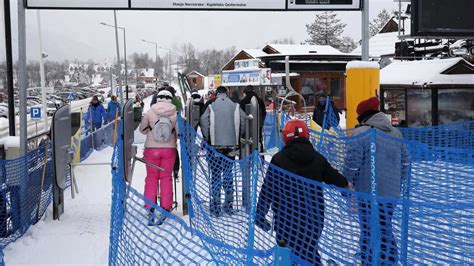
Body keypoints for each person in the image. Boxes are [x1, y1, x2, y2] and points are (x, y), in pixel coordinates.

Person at [256, 119, 352, 265]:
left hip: (285, 220)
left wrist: (260, 213)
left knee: (288, 253)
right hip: (312, 218)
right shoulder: (317, 158)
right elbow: (334, 176)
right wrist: (346, 186)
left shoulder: (279, 160)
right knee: (310, 251)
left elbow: (268, 188)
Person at [344, 96, 410, 265]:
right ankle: (387, 257)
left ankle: (372, 259)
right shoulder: (396, 132)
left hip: (368, 192)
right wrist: (396, 182)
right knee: (383, 223)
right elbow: (405, 161)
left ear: (364, 116)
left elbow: (352, 163)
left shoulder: (360, 133)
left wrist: (345, 182)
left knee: (369, 227)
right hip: (391, 193)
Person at [200, 86, 246, 216]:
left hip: (214, 147)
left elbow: (203, 120)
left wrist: (207, 137)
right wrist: (238, 135)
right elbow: (244, 120)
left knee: (215, 175)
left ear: (216, 93)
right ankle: (229, 204)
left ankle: (215, 207)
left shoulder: (211, 104)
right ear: (227, 93)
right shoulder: (235, 105)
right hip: (231, 146)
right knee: (228, 173)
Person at [139, 90, 178, 225]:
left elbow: (142, 129)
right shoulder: (175, 113)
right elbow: (179, 133)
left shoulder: (150, 112)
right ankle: (166, 207)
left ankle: (150, 207)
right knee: (166, 177)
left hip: (151, 150)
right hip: (169, 150)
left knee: (151, 177)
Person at [239, 85, 266, 152]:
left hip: (246, 127)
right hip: (258, 125)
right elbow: (264, 113)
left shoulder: (243, 101)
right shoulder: (259, 101)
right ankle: (260, 158)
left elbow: (241, 115)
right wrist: (261, 123)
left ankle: (246, 158)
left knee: (246, 142)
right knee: (258, 141)